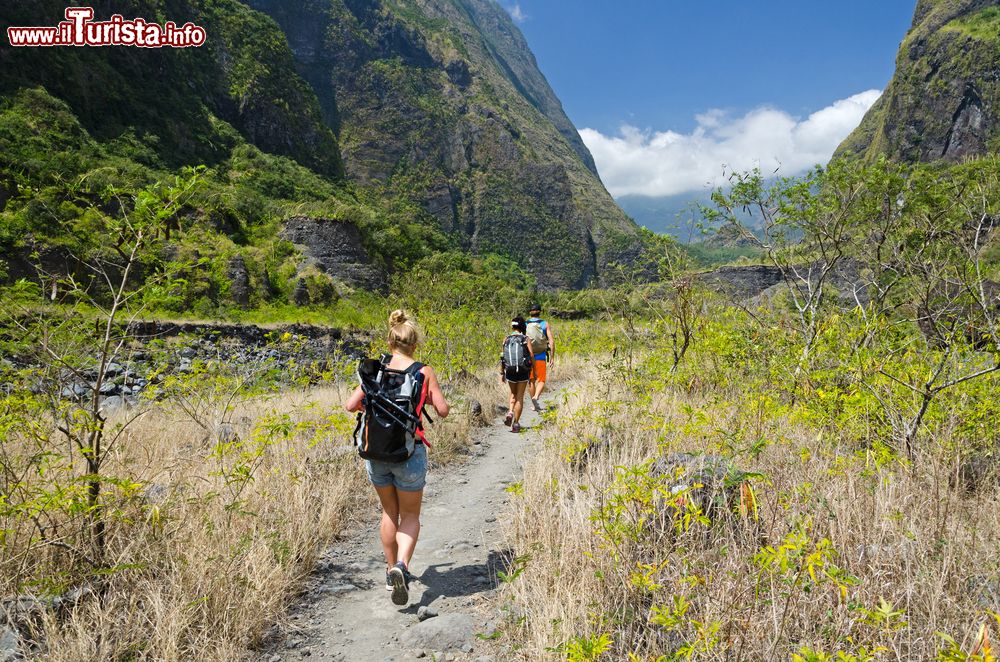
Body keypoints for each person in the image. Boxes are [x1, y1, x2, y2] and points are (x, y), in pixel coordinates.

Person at [344, 310, 450, 606]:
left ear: (390, 342)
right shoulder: (422, 371)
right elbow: (442, 410)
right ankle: (401, 566)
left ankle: (390, 575)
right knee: (411, 515)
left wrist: (379, 411)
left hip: (375, 453)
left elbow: (351, 405)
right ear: (414, 344)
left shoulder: (376, 369)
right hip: (408, 452)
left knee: (389, 513)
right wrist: (422, 398)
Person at [500, 316, 534, 433]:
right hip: (523, 370)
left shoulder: (506, 338)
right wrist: (532, 369)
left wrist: (502, 372)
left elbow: (502, 357)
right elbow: (531, 355)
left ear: (512, 326)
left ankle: (510, 411)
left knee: (512, 394)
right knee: (519, 396)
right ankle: (516, 424)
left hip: (510, 370)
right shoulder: (525, 338)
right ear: (522, 326)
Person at [526, 304, 554, 411]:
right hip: (541, 355)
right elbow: (551, 341)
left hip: (529, 356)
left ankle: (534, 405)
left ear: (530, 312)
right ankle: (536, 397)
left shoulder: (525, 324)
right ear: (540, 312)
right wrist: (552, 357)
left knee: (531, 381)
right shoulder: (544, 324)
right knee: (541, 380)